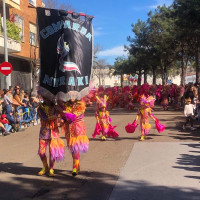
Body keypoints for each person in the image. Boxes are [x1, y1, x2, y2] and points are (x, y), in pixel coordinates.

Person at [60, 98, 89, 176]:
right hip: (69, 130)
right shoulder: (66, 105)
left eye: (74, 95)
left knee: (76, 148)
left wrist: (65, 113)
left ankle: (74, 167)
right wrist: (62, 120)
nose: (72, 97)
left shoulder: (81, 104)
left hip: (78, 129)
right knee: (73, 149)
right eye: (70, 95)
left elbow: (73, 116)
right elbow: (64, 118)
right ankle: (77, 165)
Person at [37, 97, 65, 176]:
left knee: (53, 152)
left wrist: (62, 121)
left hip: (54, 133)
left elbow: (61, 119)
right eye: (45, 98)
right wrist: (55, 116)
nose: (47, 100)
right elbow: (44, 117)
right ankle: (45, 167)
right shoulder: (40, 108)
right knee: (41, 152)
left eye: (49, 98)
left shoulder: (56, 108)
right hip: (44, 132)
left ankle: (51, 168)